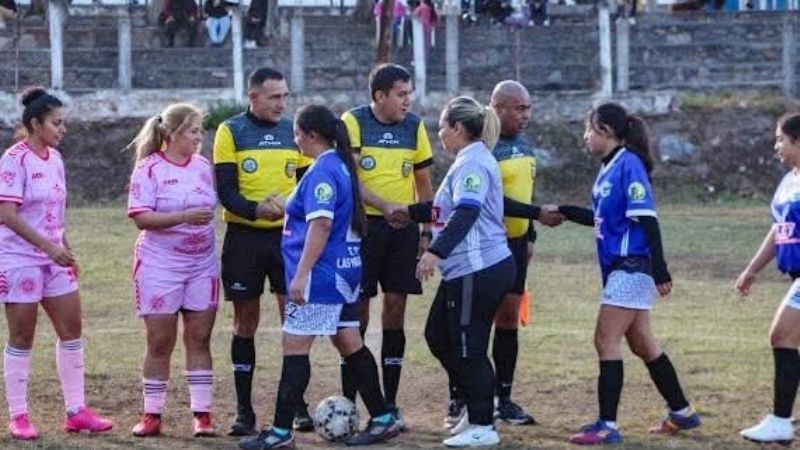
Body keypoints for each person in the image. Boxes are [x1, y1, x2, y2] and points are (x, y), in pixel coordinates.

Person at [238, 104, 400, 450]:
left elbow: (322, 223)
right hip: (342, 272)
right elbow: (319, 213)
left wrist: (300, 275)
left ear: (310, 135)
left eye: (296, 133)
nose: (294, 139)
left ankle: (281, 433)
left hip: (320, 278)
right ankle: (384, 417)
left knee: (295, 347)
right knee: (349, 341)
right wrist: (285, 205)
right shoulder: (338, 166)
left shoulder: (323, 171)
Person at [551, 102, 700, 445]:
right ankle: (682, 412)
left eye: (588, 130)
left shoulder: (629, 164)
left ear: (605, 130)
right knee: (643, 344)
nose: (585, 137)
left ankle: (607, 425)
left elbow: (647, 219)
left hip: (631, 266)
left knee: (605, 340)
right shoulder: (610, 167)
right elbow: (602, 218)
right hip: (623, 268)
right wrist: (564, 211)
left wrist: (660, 269)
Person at [401, 95, 516, 447]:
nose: (440, 136)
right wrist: (406, 212)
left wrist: (434, 252)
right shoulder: (466, 161)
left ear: (459, 128)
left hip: (479, 269)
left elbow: (466, 212)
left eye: (442, 129)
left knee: (469, 346)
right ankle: (478, 402)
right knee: (438, 336)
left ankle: (483, 424)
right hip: (464, 271)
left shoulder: (473, 163)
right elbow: (444, 209)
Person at [0, 87, 114, 440]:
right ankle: (18, 415)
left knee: (72, 329)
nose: (63, 129)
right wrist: (49, 248)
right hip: (19, 259)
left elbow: (55, 214)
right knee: (22, 335)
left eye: (63, 123)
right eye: (56, 123)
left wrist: (66, 249)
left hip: (54, 257)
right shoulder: (14, 159)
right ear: (35, 124)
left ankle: (76, 411)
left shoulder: (56, 159)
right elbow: (6, 213)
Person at [213, 67, 314, 436]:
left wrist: (288, 207)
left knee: (295, 322)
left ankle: (296, 405)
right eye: (274, 97)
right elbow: (226, 192)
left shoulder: (294, 132)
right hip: (245, 239)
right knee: (245, 323)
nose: (281, 103)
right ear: (253, 97)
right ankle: (244, 411)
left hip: (287, 241)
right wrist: (258, 210)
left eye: (285, 96)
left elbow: (305, 186)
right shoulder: (231, 130)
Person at [340, 63, 434, 428]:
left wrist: (425, 230)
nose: (407, 101)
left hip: (404, 229)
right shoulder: (353, 121)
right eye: (401, 94)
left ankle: (390, 402)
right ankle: (349, 403)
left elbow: (424, 185)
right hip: (363, 228)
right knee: (356, 315)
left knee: (395, 310)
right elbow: (351, 179)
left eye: (409, 94)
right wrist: (384, 206)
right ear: (379, 96)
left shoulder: (414, 127)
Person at [125, 103, 219, 438]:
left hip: (201, 265)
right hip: (159, 266)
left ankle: (202, 415)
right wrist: (183, 217)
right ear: (173, 133)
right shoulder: (149, 169)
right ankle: (152, 415)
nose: (199, 137)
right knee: (160, 341)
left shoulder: (204, 167)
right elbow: (140, 218)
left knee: (199, 338)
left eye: (200, 131)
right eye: (193, 131)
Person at [736, 113, 800, 445]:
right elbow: (779, 230)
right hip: (795, 276)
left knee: (782, 336)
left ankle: (780, 421)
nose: (776, 145)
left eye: (780, 139)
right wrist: (752, 269)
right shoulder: (789, 181)